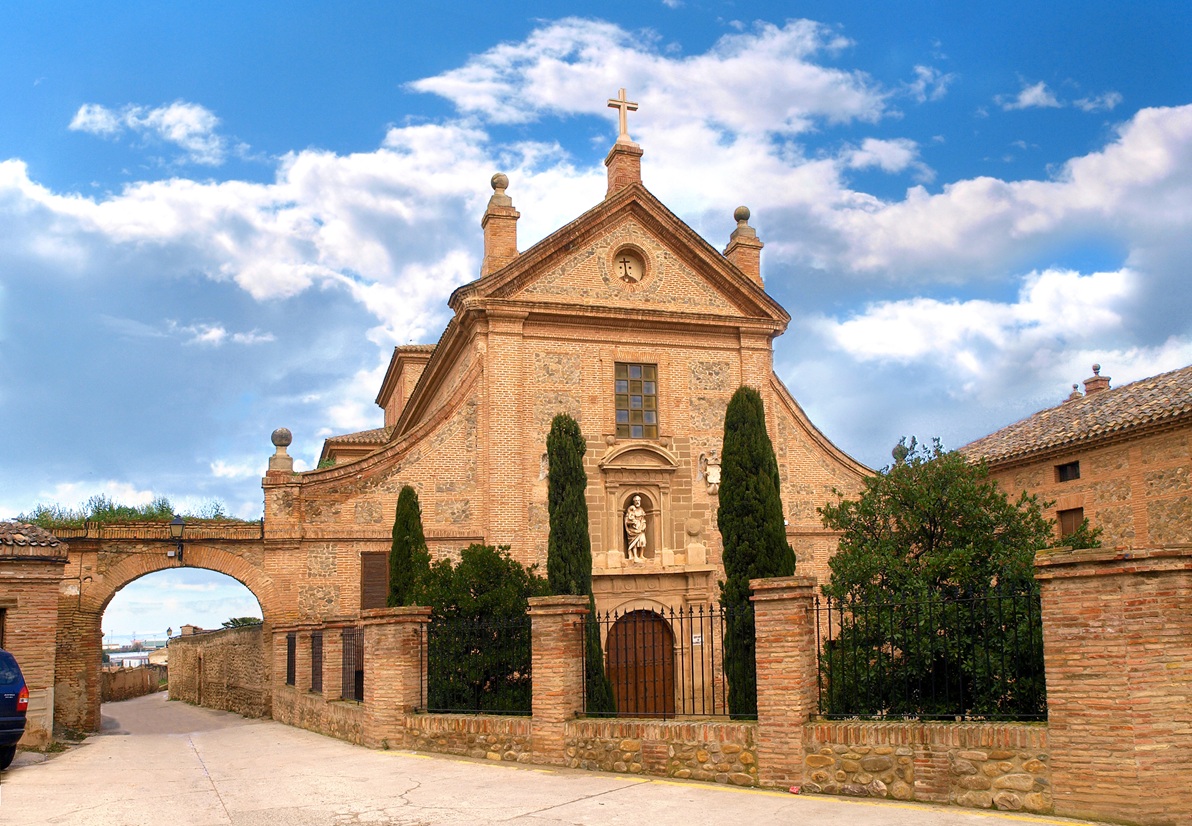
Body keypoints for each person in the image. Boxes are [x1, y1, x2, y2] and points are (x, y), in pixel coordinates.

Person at [624, 495, 647, 562]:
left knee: (642, 541)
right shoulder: (631, 510)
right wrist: (633, 523)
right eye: (636, 501)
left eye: (638, 500)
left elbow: (643, 519)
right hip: (633, 529)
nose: (637, 502)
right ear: (633, 502)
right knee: (634, 543)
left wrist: (643, 525)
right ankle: (635, 555)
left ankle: (641, 555)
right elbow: (627, 520)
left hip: (641, 528)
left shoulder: (641, 510)